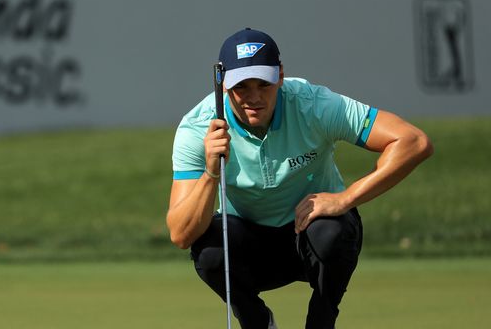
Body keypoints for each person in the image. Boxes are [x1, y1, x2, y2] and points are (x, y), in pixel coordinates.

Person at [166, 28, 433, 329]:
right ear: (224, 85)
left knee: (331, 231)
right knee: (210, 250)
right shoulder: (197, 127)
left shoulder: (312, 104)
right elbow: (181, 234)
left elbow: (413, 142)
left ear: (280, 76)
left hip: (313, 238)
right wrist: (212, 172)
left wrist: (345, 198)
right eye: (242, 87)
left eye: (263, 84)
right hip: (250, 249)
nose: (254, 98)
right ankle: (257, 322)